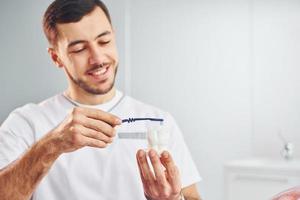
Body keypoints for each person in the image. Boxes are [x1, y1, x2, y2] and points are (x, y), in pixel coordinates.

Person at [0, 0, 201, 199]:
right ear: (56, 57)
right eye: (79, 49)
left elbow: (192, 196)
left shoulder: (159, 121)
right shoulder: (25, 123)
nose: (97, 58)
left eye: (104, 41)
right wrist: (52, 145)